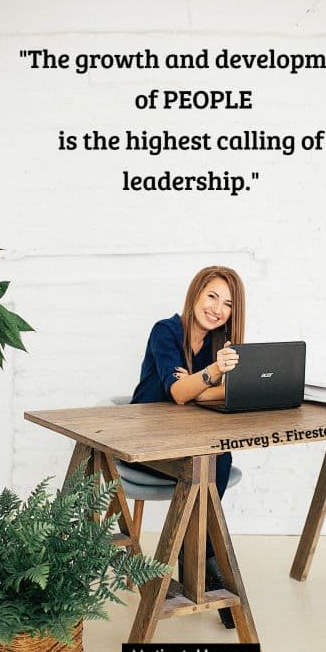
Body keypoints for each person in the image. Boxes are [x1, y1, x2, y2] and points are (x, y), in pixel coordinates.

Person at [129, 265, 245, 628]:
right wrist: (206, 378)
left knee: (219, 456)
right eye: (212, 296)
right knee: (211, 462)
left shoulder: (220, 343)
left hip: (186, 441)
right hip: (143, 440)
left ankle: (196, 553)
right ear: (195, 293)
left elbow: (229, 392)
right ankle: (204, 560)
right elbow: (178, 393)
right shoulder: (165, 331)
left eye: (227, 303)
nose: (217, 308)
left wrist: (199, 387)